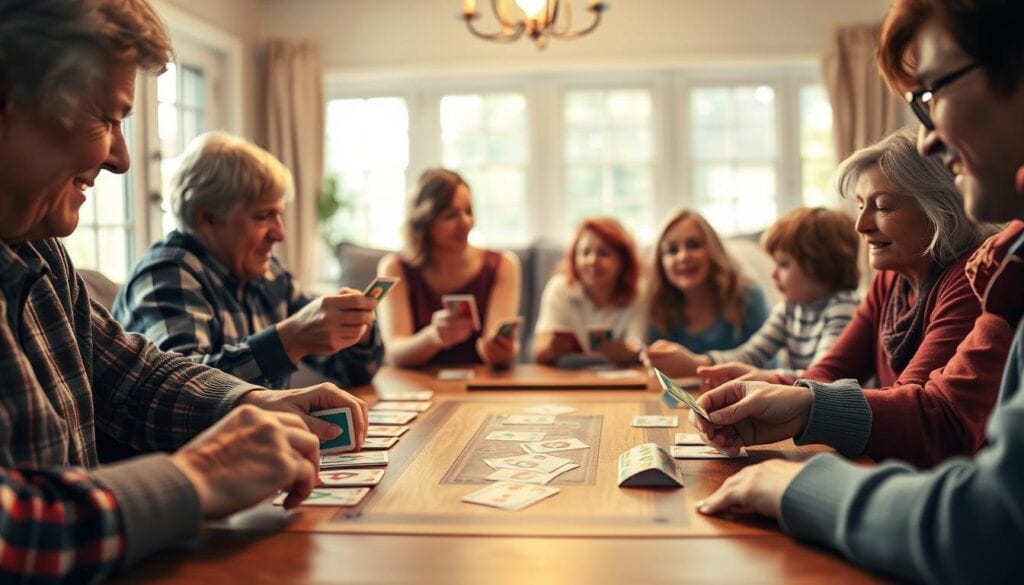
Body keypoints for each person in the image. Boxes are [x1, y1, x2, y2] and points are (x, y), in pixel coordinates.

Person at [0, 1, 367, 581]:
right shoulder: (167, 273)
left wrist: (250, 401)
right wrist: (196, 477)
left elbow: (133, 375)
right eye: (107, 118)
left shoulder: (37, 249)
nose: (122, 159)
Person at [694, 2, 1024, 581]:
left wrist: (800, 478)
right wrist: (786, 394)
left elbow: (981, 511)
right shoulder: (1000, 269)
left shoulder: (984, 276)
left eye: (934, 91)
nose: (928, 140)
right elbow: (935, 413)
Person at [695, 128, 1000, 467]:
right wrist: (769, 384)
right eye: (860, 205)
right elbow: (831, 370)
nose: (861, 225)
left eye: (882, 207)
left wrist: (801, 402)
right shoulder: (890, 281)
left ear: (939, 209)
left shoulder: (970, 281)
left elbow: (920, 414)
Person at [113, 131, 383, 389]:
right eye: (263, 216)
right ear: (207, 218)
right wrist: (290, 340)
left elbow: (354, 372)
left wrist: (357, 331)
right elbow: (184, 390)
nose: (280, 233)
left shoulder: (271, 276)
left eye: (279, 214)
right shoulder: (167, 274)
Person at [644, 207, 860, 379]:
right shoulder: (789, 309)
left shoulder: (843, 307)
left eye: (784, 264)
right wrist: (699, 364)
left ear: (820, 265)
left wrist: (758, 378)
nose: (773, 274)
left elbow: (820, 379)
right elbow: (750, 355)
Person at [377, 168, 521, 367]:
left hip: (479, 382)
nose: (465, 223)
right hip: (417, 382)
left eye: (468, 211)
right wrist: (433, 337)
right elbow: (394, 354)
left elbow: (495, 347)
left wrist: (500, 350)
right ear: (424, 221)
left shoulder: (503, 265)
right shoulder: (395, 268)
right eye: (450, 215)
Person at [645, 209, 770, 356]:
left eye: (693, 245)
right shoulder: (659, 307)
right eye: (672, 250)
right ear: (660, 263)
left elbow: (765, 360)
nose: (683, 257)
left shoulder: (749, 297)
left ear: (713, 250)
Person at [533, 217, 645, 366]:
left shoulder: (638, 292)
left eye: (603, 253)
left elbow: (638, 347)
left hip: (620, 377)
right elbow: (539, 351)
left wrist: (627, 352)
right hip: (568, 375)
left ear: (623, 260)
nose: (592, 261)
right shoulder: (560, 288)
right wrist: (551, 349)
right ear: (574, 258)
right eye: (585, 253)